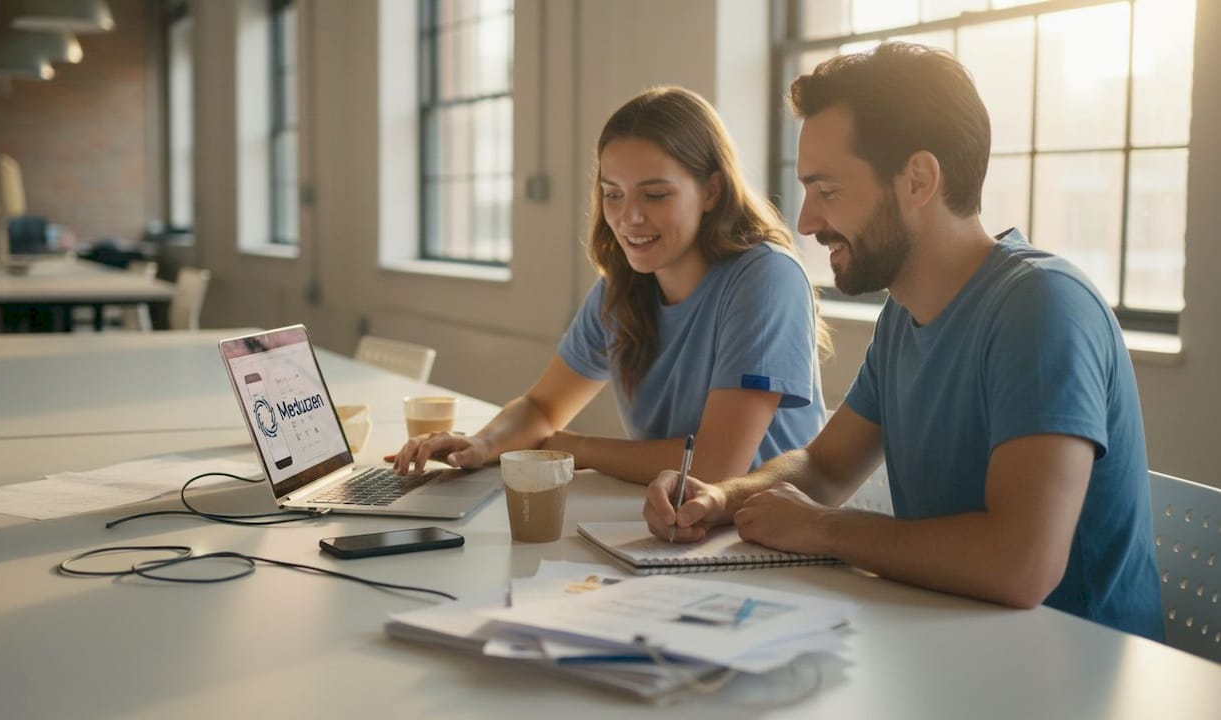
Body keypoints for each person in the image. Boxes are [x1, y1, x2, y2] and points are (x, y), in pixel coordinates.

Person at [644, 43, 1162, 639]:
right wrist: (722, 497)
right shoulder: (905, 314)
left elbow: (1020, 565)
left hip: (1069, 670)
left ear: (918, 179)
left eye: (828, 191)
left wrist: (820, 529)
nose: (806, 222)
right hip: (956, 642)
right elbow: (824, 463)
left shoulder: (1041, 307)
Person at [393, 86, 828, 486]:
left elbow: (715, 466)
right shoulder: (620, 289)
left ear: (712, 190)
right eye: (613, 194)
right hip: (676, 527)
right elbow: (543, 407)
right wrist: (482, 444)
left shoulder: (767, 278)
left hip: (765, 544)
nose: (629, 218)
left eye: (655, 195)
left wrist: (577, 448)